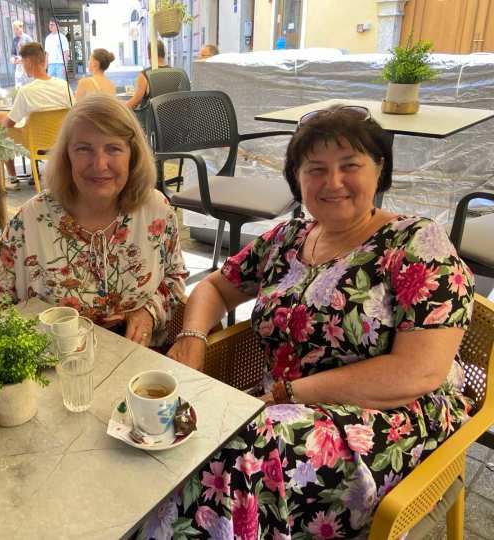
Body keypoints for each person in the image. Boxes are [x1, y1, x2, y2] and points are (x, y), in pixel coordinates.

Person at [143, 106, 475, 538]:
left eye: (350, 165)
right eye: (315, 169)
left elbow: (419, 372)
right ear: (297, 179)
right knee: (183, 446)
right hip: (278, 413)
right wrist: (193, 337)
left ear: (379, 169)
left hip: (392, 421)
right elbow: (215, 288)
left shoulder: (416, 243)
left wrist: (288, 394)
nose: (332, 182)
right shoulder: (288, 238)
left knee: (236, 457)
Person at [0, 94, 188, 347]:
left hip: (140, 362)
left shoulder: (157, 210)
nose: (99, 164)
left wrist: (149, 312)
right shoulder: (31, 220)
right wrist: (36, 340)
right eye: (83, 149)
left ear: (132, 154)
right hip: (52, 363)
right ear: (66, 156)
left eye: (113, 148)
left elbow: (174, 277)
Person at [0, 42, 73, 185]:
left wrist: (0, 120)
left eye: (22, 63)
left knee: (0, 122)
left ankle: (13, 178)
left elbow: (9, 123)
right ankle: (34, 172)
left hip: (35, 144)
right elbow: (73, 114)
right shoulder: (64, 85)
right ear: (43, 60)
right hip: (61, 141)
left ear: (28, 62)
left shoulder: (26, 91)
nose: (22, 66)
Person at [126, 39, 169, 111]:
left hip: (150, 116)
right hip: (171, 116)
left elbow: (135, 102)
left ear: (149, 55)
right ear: (164, 54)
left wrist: (119, 107)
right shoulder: (176, 73)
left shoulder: (145, 75)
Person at [9, 20, 33, 87]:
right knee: (19, 87)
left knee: (28, 87)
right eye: (14, 29)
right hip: (19, 68)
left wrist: (22, 58)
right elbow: (13, 53)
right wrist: (12, 58)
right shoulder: (14, 40)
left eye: (17, 29)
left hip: (27, 66)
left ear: (21, 28)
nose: (15, 31)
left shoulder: (28, 38)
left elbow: (33, 52)